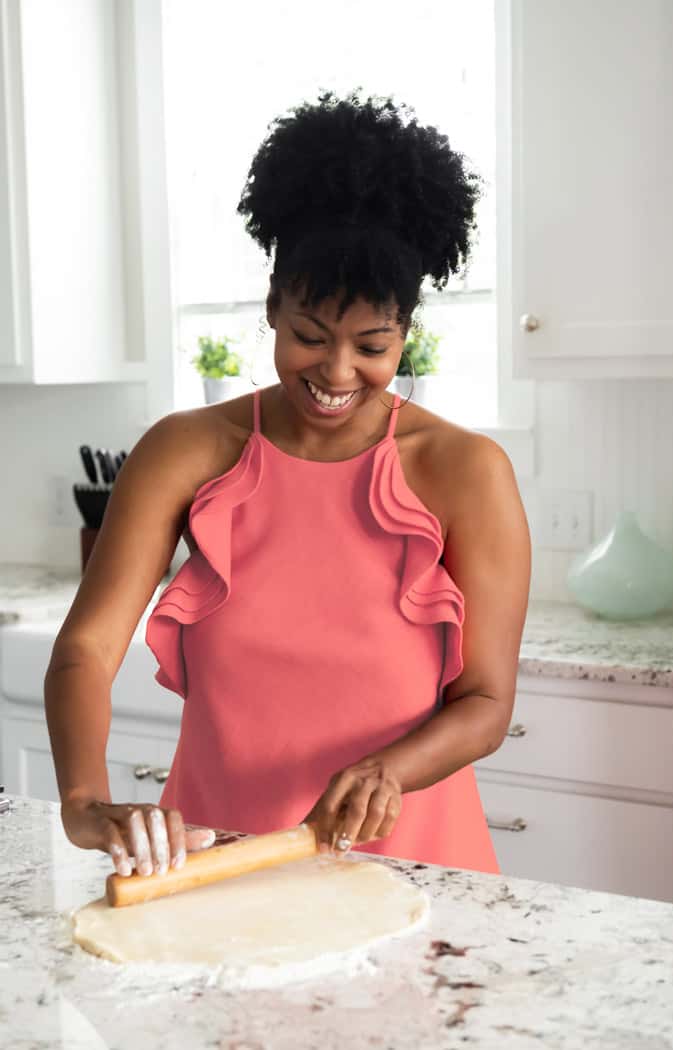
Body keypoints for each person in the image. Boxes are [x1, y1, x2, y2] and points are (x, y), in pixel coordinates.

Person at [46, 89, 531, 881]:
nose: (337, 374)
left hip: (411, 866)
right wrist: (82, 800)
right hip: (216, 863)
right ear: (272, 309)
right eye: (309, 336)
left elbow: (486, 703)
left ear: (406, 332)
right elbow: (87, 649)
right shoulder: (185, 450)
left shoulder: (464, 470)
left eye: (372, 346)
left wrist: (390, 771)